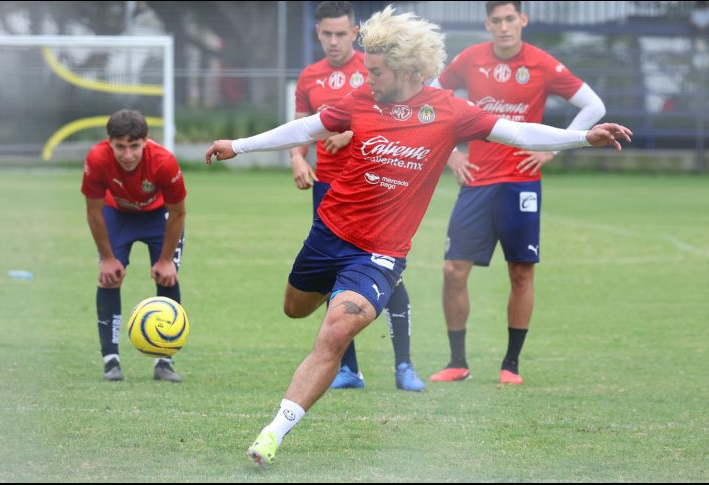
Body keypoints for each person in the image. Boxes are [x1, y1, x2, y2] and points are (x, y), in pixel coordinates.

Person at [205, 5, 630, 466]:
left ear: (408, 71)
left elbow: (520, 132)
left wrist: (582, 138)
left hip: (379, 254)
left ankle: (273, 433)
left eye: (376, 71)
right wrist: (239, 146)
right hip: (328, 234)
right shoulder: (360, 103)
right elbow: (306, 127)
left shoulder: (449, 111)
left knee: (335, 332)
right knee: (295, 309)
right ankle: (336, 294)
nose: (367, 79)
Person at [428, 0, 607, 386]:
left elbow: (594, 106)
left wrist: (553, 149)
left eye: (511, 19)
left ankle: (511, 364)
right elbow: (431, 102)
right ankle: (457, 362)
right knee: (452, 271)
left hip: (520, 183)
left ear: (523, 20)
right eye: (497, 20)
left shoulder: (542, 63)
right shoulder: (469, 60)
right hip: (476, 181)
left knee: (521, 273)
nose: (505, 27)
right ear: (487, 24)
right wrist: (450, 152)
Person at [291, 1, 424, 392]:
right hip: (328, 189)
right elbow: (301, 128)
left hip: (376, 190)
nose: (334, 41)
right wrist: (297, 159)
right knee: (336, 277)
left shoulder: (376, 70)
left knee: (389, 278)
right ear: (318, 33)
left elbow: (397, 118)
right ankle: (348, 369)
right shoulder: (309, 77)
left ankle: (404, 365)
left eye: (341, 33)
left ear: (355, 33)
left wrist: (351, 133)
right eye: (327, 34)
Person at [81, 109, 187, 382]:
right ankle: (110, 360)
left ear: (146, 141)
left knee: (167, 276)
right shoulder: (96, 158)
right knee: (109, 277)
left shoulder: (164, 162)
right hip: (118, 215)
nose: (127, 155)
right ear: (109, 142)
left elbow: (178, 213)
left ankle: (165, 361)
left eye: (134, 147)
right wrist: (106, 257)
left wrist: (165, 261)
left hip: (158, 217)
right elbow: (93, 211)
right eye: (120, 147)